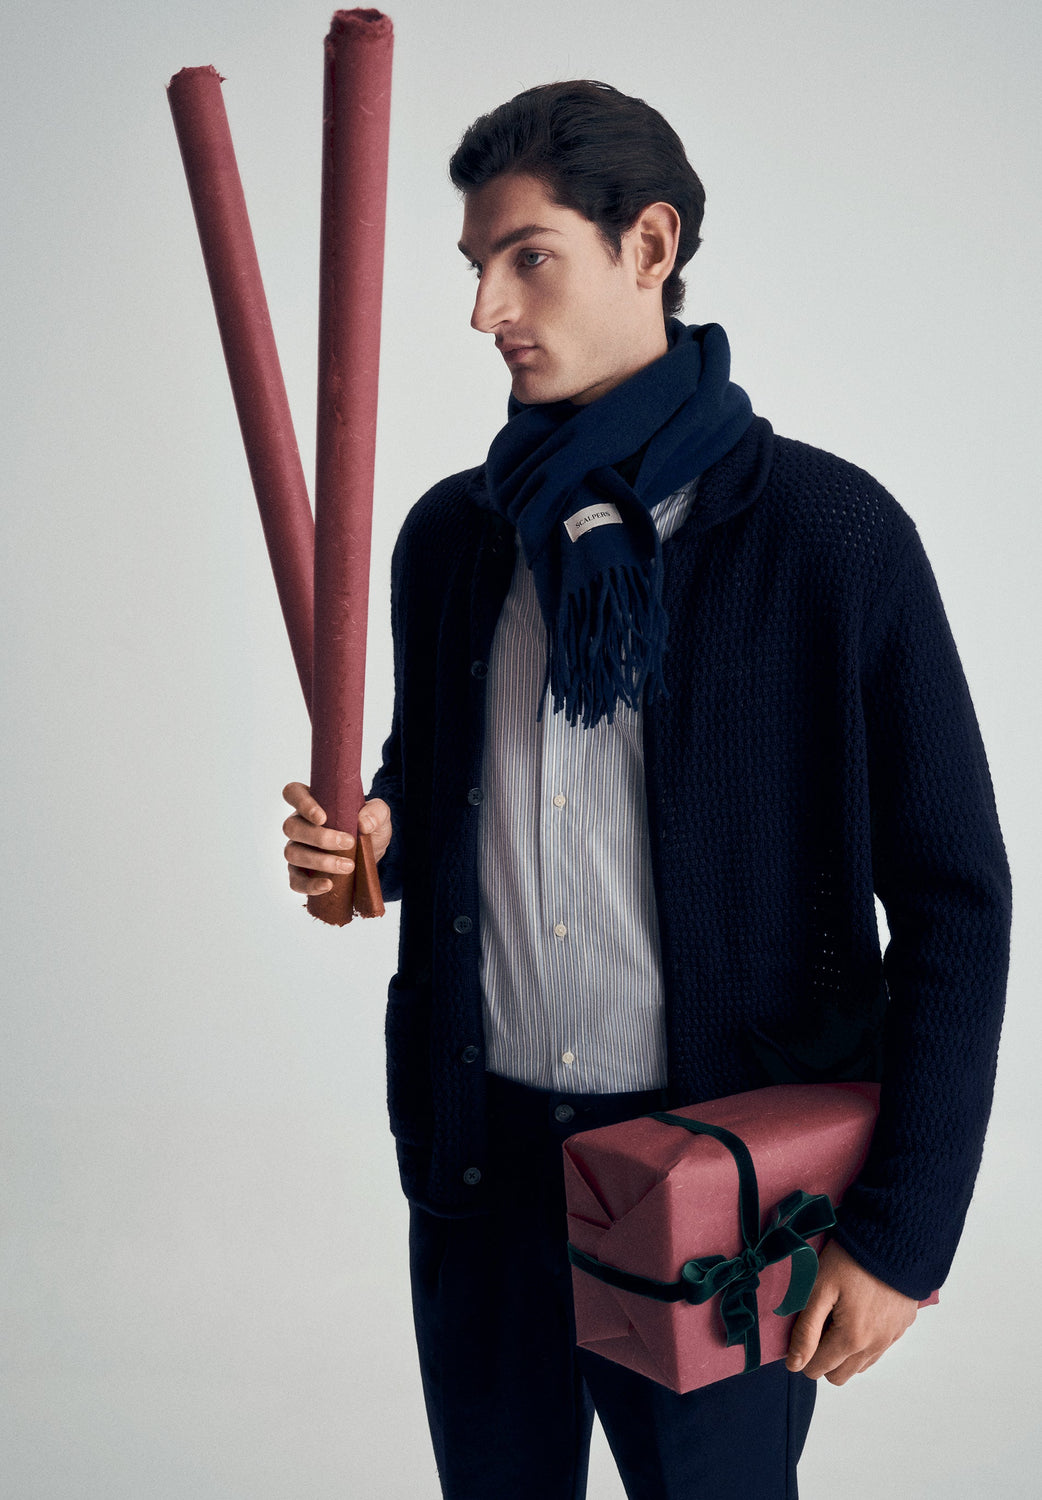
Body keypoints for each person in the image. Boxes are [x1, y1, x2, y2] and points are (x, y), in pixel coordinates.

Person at [281, 82, 1011, 1500]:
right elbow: (432, 787)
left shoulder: (831, 536)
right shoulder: (452, 538)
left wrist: (901, 1236)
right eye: (473, 265)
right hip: (482, 1166)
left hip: (722, 1182)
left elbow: (955, 905)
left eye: (529, 256)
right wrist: (371, 840)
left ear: (650, 246)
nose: (485, 308)